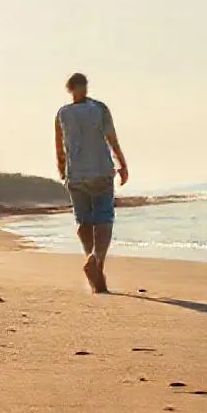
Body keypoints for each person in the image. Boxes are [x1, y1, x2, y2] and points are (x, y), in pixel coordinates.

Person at [54, 72, 127, 293]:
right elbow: (111, 138)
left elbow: (59, 146)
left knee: (83, 221)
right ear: (85, 86)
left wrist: (62, 170)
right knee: (104, 218)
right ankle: (96, 260)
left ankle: (93, 263)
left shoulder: (62, 114)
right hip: (101, 173)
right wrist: (122, 164)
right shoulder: (99, 108)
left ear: (69, 89)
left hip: (75, 175)